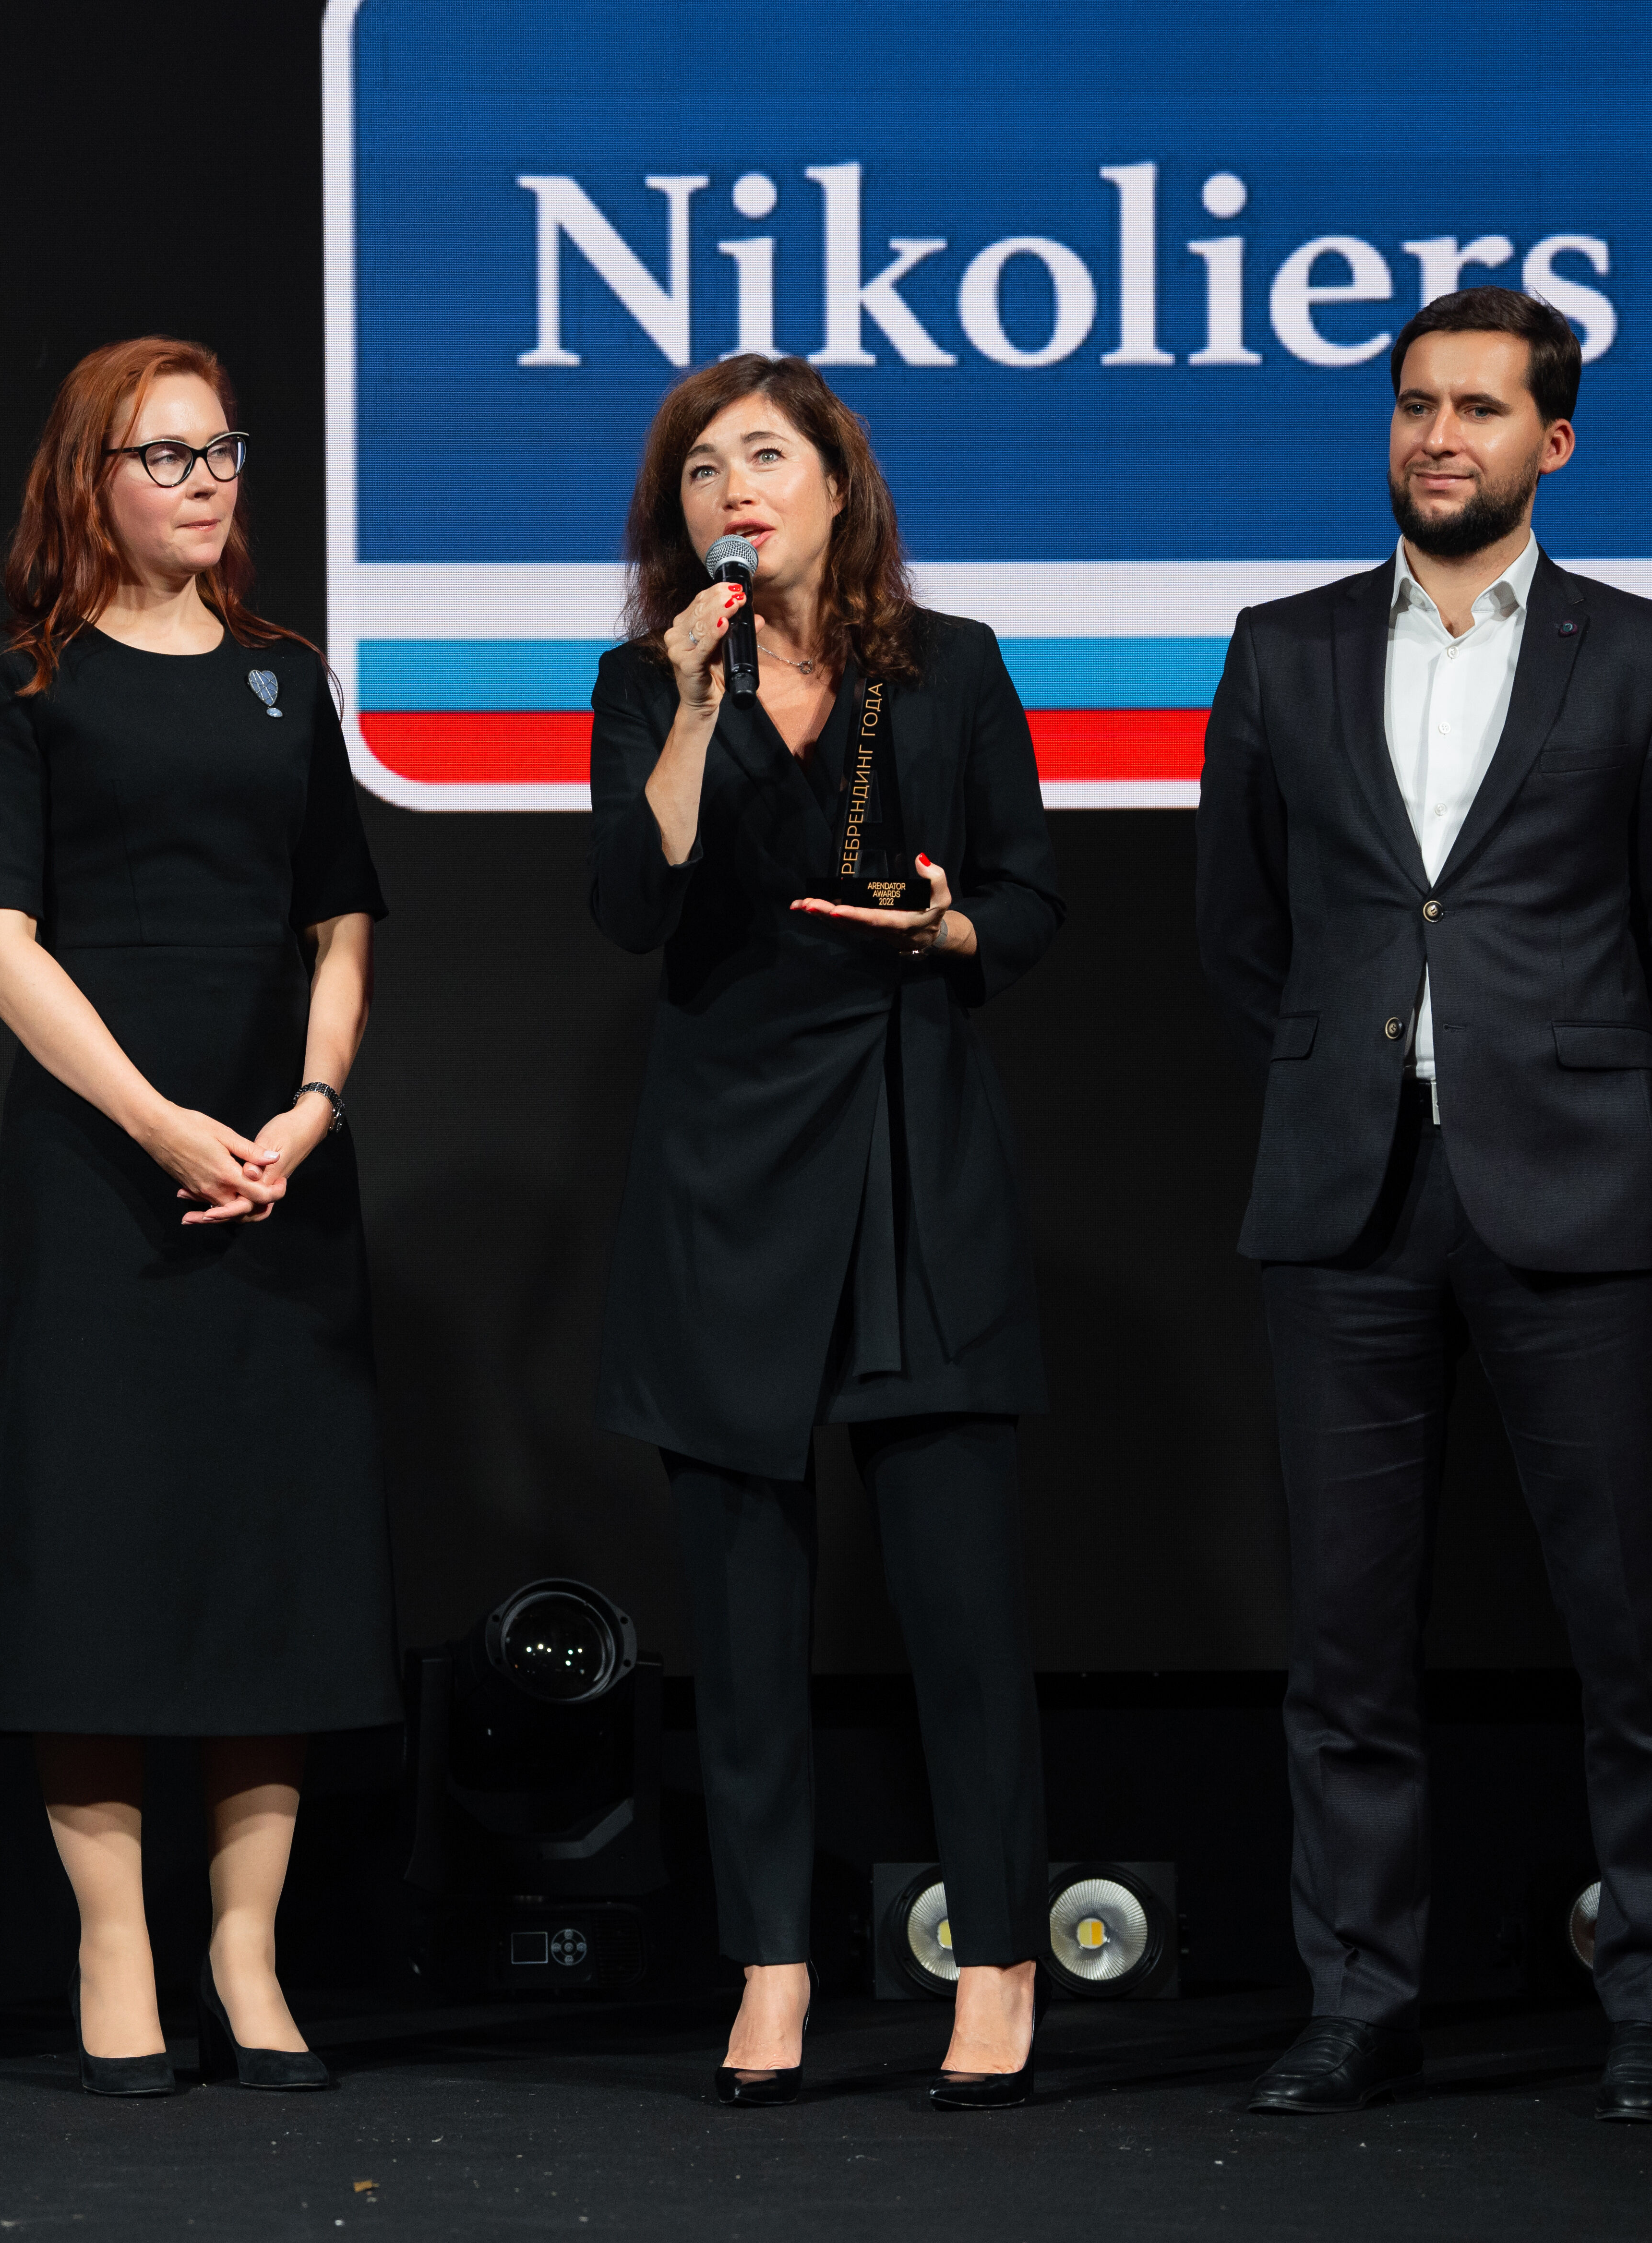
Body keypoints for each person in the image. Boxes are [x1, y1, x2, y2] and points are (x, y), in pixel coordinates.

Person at [1195, 287, 1652, 2122]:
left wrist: (1559, 1086)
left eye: (1482, 410)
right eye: (1417, 404)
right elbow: (1241, 934)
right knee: (1346, 1644)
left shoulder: (1649, 655)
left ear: (1552, 442)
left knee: (1635, 1635)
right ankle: (1362, 2003)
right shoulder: (1280, 648)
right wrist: (1351, 1077)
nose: (1441, 437)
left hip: (1573, 1188)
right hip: (1343, 1194)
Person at [587, 355, 1066, 2111]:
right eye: (704, 469)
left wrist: (950, 933)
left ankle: (998, 1959)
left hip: (908, 1141)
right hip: (727, 1164)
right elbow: (629, 903)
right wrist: (691, 707)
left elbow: (1031, 896)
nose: (738, 490)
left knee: (960, 1605)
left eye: (768, 457)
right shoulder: (648, 681)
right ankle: (771, 1963)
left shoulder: (954, 669)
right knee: (742, 1614)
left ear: (839, 487)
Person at [0, 338, 391, 2098]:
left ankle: (247, 1952)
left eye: (224, 452)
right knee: (101, 1545)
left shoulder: (288, 680)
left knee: (272, 1548)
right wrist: (155, 1125)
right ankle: (117, 1945)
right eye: (169, 455)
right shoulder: (24, 684)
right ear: (92, 481)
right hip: (103, 1164)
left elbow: (342, 919)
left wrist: (308, 1110)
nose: (207, 482)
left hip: (278, 1166)